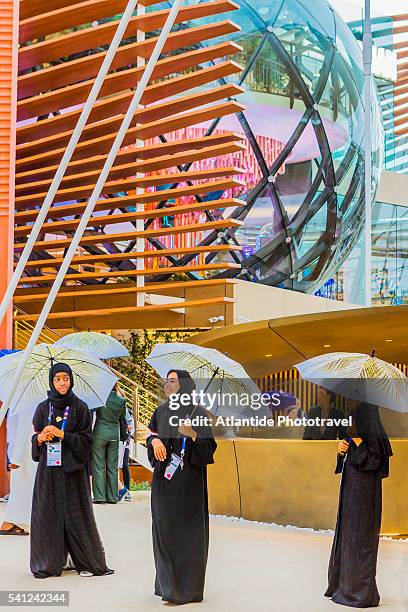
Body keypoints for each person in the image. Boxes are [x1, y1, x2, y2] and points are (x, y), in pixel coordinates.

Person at [30, 362, 114, 579]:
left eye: (65, 378)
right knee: (47, 514)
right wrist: (40, 438)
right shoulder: (42, 408)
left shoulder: (80, 408)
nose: (61, 383)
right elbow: (35, 438)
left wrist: (62, 435)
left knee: (77, 515)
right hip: (48, 472)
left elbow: (87, 441)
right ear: (51, 381)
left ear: (71, 380)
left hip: (73, 472)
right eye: (57, 379)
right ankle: (48, 563)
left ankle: (86, 561)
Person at [147, 369, 217, 605]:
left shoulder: (198, 413)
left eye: (173, 380)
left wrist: (193, 434)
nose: (168, 384)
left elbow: (209, 451)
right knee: (163, 532)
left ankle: (187, 589)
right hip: (163, 484)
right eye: (167, 380)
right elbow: (150, 435)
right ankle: (168, 586)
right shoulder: (161, 411)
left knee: (187, 536)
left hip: (189, 487)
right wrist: (154, 440)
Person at [325, 402, 393, 608]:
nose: (351, 423)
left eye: (355, 419)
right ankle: (341, 585)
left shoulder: (375, 439)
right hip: (349, 495)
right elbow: (348, 460)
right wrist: (341, 450)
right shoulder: (355, 435)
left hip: (364, 498)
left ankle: (359, 592)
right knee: (346, 536)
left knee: (360, 540)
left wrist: (357, 442)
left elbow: (373, 461)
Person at [0, 411, 37, 536]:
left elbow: (20, 429)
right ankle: (17, 521)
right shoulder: (28, 403)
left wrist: (16, 457)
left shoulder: (24, 402)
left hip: (23, 454)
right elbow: (21, 429)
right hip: (25, 454)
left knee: (22, 487)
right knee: (23, 487)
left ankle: (17, 521)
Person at [92, 382, 126, 504]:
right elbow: (122, 417)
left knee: (98, 465)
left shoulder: (100, 398)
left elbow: (92, 410)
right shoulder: (122, 400)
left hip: (100, 433)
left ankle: (100, 497)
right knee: (113, 466)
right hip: (114, 434)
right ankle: (112, 497)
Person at [118, 406, 134, 502]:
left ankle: (127, 490)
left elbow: (131, 428)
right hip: (120, 441)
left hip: (125, 443)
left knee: (124, 466)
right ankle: (120, 490)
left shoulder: (127, 412)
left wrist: (128, 431)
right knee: (118, 467)